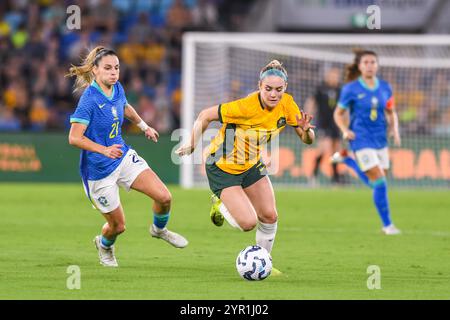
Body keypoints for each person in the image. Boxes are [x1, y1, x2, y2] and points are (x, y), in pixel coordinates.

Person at [176, 60, 315, 273]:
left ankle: (264, 262)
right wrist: (192, 143)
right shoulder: (244, 107)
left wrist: (306, 131)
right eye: (268, 89)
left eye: (278, 89)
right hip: (222, 167)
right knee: (248, 223)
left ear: (285, 88)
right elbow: (205, 115)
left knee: (270, 216)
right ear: (259, 86)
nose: (273, 94)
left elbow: (307, 140)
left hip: (251, 165)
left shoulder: (288, 104)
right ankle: (219, 202)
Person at [67, 46, 188, 267]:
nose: (114, 73)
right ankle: (104, 245)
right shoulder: (89, 99)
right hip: (98, 171)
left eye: (117, 68)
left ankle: (159, 230)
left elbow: (125, 106)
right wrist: (103, 150)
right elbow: (74, 138)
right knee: (118, 227)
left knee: (164, 197)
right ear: (95, 70)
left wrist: (144, 126)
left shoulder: (117, 88)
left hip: (122, 157)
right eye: (108, 68)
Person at [332, 49, 402, 235]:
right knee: (379, 181)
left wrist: (394, 129)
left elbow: (390, 110)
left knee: (376, 183)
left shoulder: (385, 87)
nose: (370, 65)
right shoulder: (351, 89)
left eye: (373, 62)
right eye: (366, 62)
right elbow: (338, 114)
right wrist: (345, 130)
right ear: (360, 66)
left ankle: (347, 160)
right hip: (360, 138)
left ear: (377, 65)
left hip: (380, 138)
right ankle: (388, 226)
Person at [304, 67, 342, 184]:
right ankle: (313, 175)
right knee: (324, 149)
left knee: (336, 151)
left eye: (337, 76)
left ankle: (336, 178)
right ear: (328, 76)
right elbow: (311, 101)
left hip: (336, 124)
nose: (335, 78)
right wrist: (307, 116)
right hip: (323, 123)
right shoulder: (321, 88)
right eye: (332, 75)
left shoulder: (340, 90)